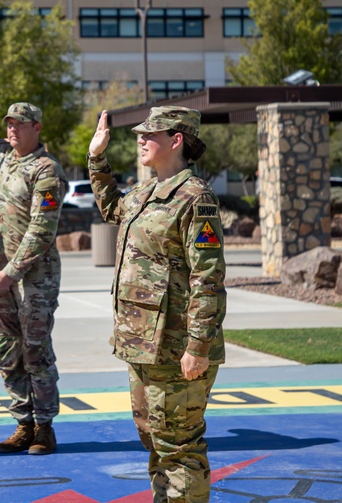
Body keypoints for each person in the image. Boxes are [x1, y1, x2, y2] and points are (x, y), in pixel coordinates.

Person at [87, 106, 226, 503]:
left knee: (179, 447)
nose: (140, 139)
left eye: (150, 134)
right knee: (155, 440)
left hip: (176, 345)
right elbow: (113, 208)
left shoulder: (196, 198)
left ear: (176, 140)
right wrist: (97, 158)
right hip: (142, 344)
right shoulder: (146, 192)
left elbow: (209, 277)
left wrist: (198, 346)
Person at [0, 103, 68, 456]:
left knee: (35, 351)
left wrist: (10, 273)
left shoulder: (47, 171)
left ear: (37, 128)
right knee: (7, 350)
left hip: (34, 278)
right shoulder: (0, 158)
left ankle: (45, 428)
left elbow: (41, 231)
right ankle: (23, 423)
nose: (12, 130)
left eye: (20, 125)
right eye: (9, 124)